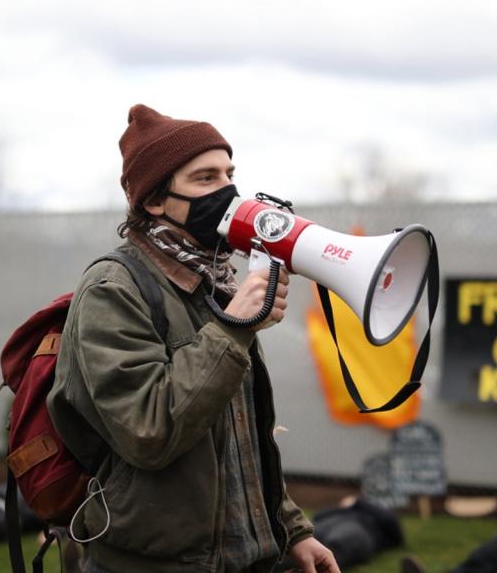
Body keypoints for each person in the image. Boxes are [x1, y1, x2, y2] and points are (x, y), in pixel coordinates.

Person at [49, 104, 338, 573]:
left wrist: (293, 531)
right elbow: (148, 430)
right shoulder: (114, 288)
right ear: (154, 201)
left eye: (229, 173)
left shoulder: (214, 283)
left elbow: (242, 437)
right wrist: (232, 329)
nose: (228, 191)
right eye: (205, 178)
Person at [276, 496, 403, 571]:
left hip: (359, 528)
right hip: (326, 524)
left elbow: (395, 529)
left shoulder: (373, 516)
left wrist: (357, 501)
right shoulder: (340, 511)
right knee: (296, 544)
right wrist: (342, 507)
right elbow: (318, 516)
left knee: (335, 547)